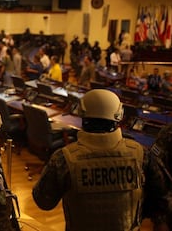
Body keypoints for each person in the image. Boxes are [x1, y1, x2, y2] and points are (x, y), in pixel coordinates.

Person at [32, 89, 165, 231]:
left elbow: (43, 201)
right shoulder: (141, 155)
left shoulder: (64, 158)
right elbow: (161, 200)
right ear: (119, 116)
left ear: (82, 114)